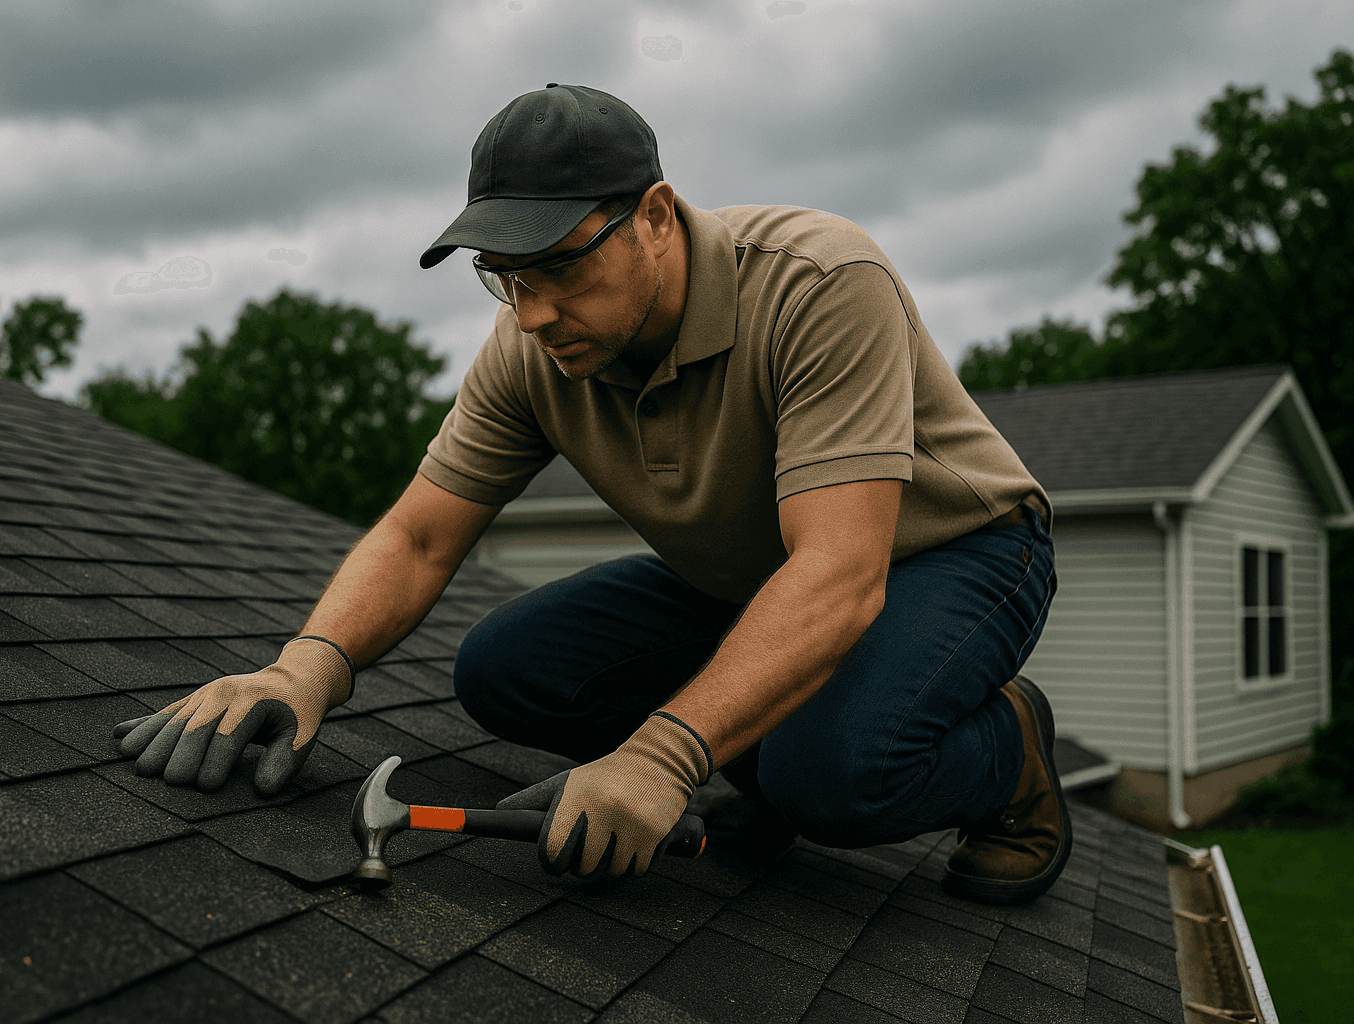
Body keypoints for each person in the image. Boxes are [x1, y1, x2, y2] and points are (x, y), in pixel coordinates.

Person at [115, 83, 1067, 905]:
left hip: (951, 553)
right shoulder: (531, 350)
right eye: (505, 276)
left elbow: (839, 573)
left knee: (832, 775)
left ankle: (1010, 752)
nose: (533, 313)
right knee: (508, 668)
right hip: (754, 574)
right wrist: (306, 667)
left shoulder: (819, 284)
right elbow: (417, 538)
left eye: (561, 265)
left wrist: (664, 757)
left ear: (655, 216)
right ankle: (765, 758)